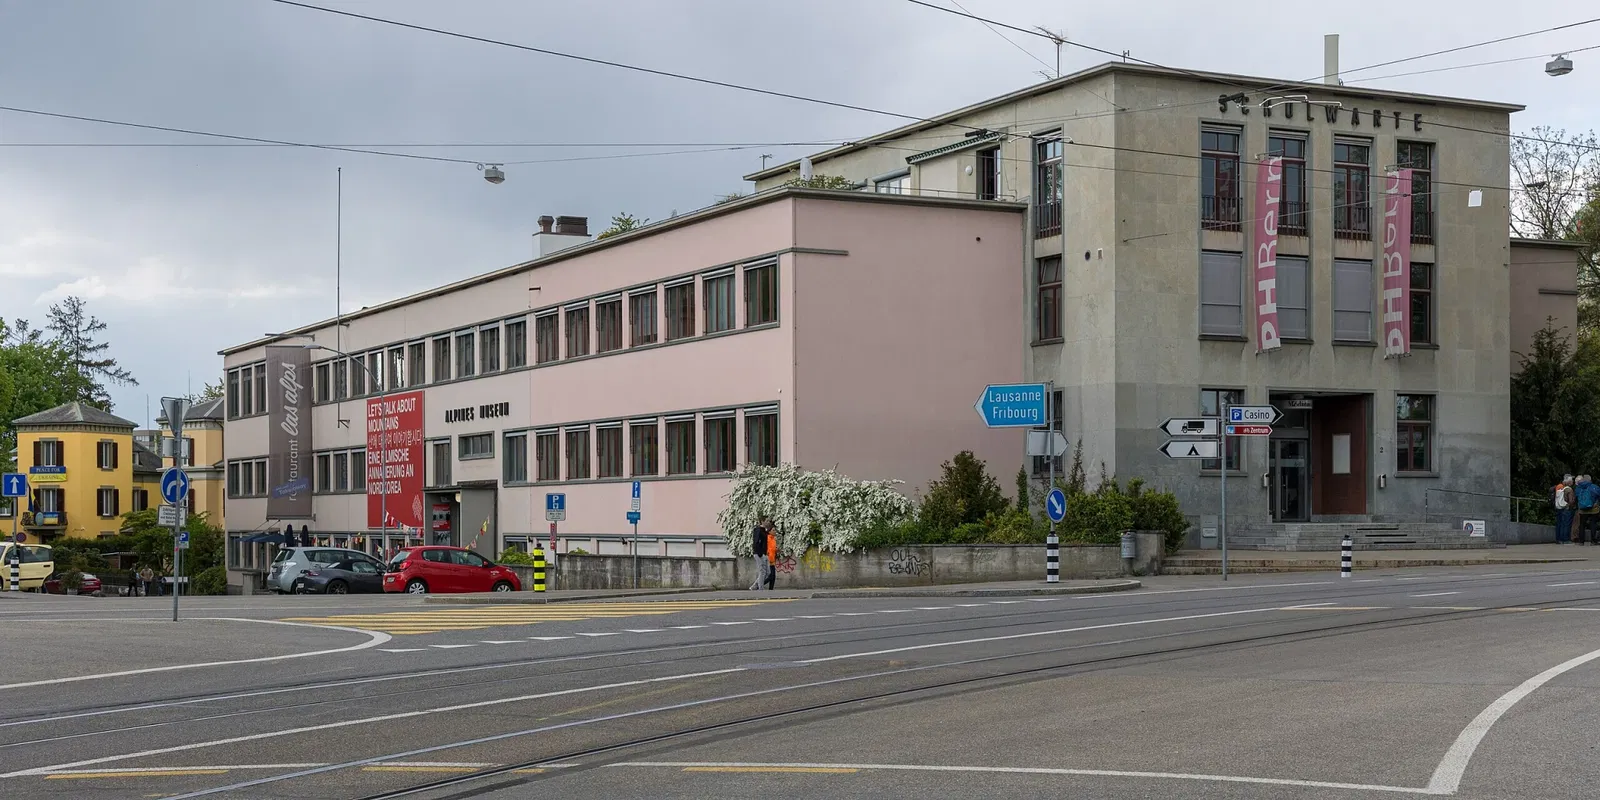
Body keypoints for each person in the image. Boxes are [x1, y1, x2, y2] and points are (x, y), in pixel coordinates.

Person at [749, 518, 769, 591]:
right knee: (762, 571)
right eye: (766, 521)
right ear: (762, 521)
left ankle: (754, 586)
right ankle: (760, 588)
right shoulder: (758, 530)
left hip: (764, 553)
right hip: (759, 553)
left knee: (767, 572)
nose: (768, 522)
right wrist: (760, 553)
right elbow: (756, 542)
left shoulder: (764, 531)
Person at [1579, 475, 1600, 546]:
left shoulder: (1579, 487)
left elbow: (1576, 496)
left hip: (1582, 509)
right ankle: (1593, 541)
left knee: (1582, 525)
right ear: (1590, 480)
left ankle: (1581, 541)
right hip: (1593, 509)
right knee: (1593, 524)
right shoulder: (1594, 487)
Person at [1555, 475, 1575, 545]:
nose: (1573, 482)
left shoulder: (1562, 489)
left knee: (1562, 524)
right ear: (1569, 482)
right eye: (1572, 480)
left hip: (1562, 508)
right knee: (1567, 524)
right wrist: (1573, 504)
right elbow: (1570, 501)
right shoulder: (1569, 489)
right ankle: (1566, 539)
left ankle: (1560, 539)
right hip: (1567, 508)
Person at [763, 521, 779, 591]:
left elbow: (772, 548)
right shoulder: (767, 539)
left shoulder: (773, 539)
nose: (775, 531)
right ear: (769, 531)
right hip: (768, 559)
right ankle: (758, 585)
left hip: (772, 559)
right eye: (773, 530)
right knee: (770, 576)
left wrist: (776, 550)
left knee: (773, 576)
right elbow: (766, 548)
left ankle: (771, 590)